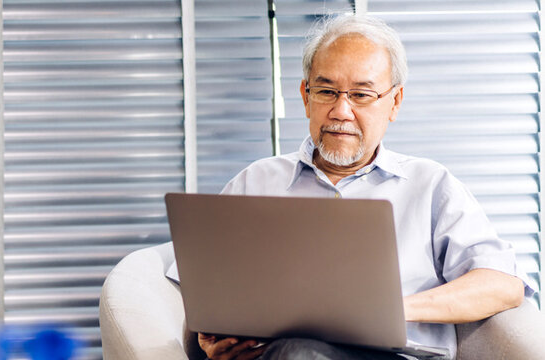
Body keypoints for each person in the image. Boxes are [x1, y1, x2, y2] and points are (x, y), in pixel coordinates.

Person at [190, 14, 536, 360]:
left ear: (394, 102)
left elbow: (502, 284)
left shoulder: (430, 185)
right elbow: (203, 287)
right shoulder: (256, 182)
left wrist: (389, 310)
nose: (341, 111)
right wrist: (213, 336)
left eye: (361, 95)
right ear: (305, 95)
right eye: (327, 91)